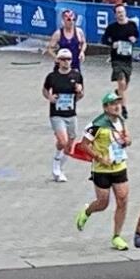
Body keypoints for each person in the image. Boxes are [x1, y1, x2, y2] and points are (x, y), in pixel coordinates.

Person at [74, 87, 134, 251]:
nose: (117, 106)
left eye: (118, 103)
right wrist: (99, 157)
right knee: (103, 202)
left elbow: (127, 137)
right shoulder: (96, 125)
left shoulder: (120, 121)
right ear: (105, 107)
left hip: (119, 165)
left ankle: (117, 236)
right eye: (113, 104)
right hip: (102, 169)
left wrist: (127, 140)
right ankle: (87, 211)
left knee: (122, 200)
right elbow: (83, 145)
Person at [42, 46, 85, 185]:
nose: (66, 62)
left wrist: (79, 92)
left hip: (71, 113)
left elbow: (81, 95)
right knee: (63, 141)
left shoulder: (76, 75)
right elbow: (44, 90)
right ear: (58, 61)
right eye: (63, 59)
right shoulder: (52, 76)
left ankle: (60, 167)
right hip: (56, 114)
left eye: (69, 59)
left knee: (70, 143)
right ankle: (56, 164)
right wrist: (50, 97)